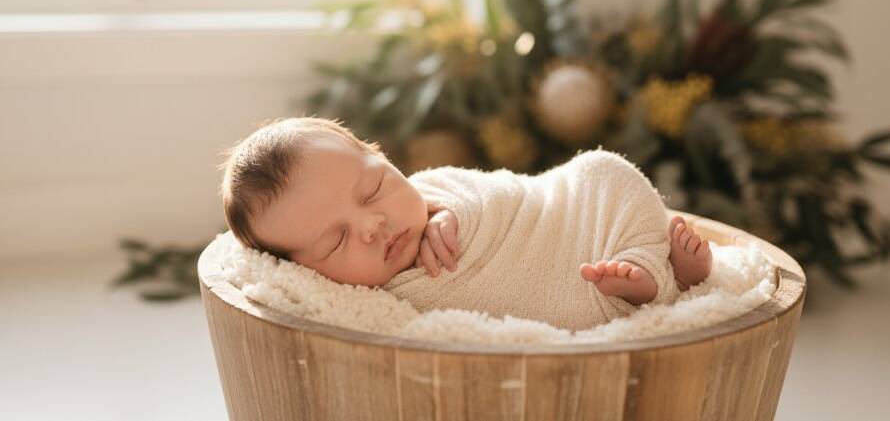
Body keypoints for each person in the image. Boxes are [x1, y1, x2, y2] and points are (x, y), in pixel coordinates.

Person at [220, 117, 712, 330]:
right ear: (306, 271)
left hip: (567, 215)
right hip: (558, 294)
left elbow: (504, 189)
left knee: (604, 174)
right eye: (337, 240)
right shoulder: (365, 306)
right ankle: (651, 285)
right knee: (589, 301)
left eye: (373, 189)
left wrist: (453, 212)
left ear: (384, 158)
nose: (373, 224)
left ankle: (649, 264)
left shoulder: (436, 189)